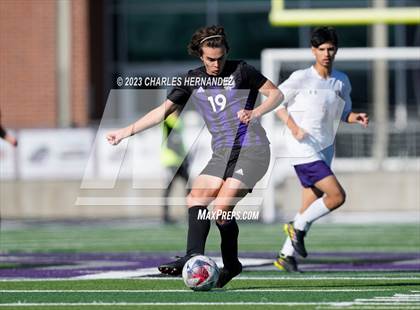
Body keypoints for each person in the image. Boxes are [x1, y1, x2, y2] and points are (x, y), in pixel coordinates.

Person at [107, 25, 282, 287]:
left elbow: (276, 94)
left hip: (252, 151)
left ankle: (231, 264)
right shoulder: (192, 79)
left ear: (227, 53)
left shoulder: (242, 70)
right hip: (222, 153)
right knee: (195, 197)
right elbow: (163, 111)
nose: (216, 63)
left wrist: (257, 113)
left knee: (221, 211)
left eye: (221, 57)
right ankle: (193, 255)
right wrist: (125, 131)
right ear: (200, 56)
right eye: (211, 59)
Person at [274, 26, 369, 272]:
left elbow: (343, 112)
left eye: (331, 49)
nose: (326, 54)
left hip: (325, 148)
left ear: (336, 51)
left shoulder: (341, 81)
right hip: (302, 147)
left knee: (309, 203)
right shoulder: (301, 77)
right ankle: (296, 227)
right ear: (313, 51)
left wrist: (354, 117)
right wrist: (294, 127)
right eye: (322, 49)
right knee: (337, 196)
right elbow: (276, 102)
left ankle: (286, 255)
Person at [160, 107, 190, 223]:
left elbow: (179, 141)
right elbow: (171, 141)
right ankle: (165, 215)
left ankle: (190, 212)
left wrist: (185, 156)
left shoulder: (179, 121)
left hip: (180, 161)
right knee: (169, 188)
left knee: (188, 187)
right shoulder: (167, 121)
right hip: (171, 160)